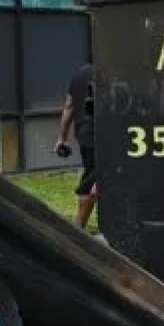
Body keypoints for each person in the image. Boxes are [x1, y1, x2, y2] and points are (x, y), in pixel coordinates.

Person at [55, 62, 97, 231]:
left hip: (84, 133)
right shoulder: (115, 69)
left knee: (91, 175)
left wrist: (61, 138)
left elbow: (69, 106)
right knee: (93, 180)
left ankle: (79, 228)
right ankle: (78, 230)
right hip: (102, 134)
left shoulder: (80, 74)